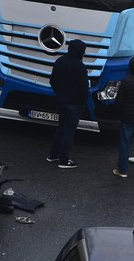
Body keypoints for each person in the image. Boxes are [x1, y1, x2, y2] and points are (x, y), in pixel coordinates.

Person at [47, 39, 89, 170]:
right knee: (69, 132)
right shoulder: (80, 67)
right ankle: (64, 159)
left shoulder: (59, 61)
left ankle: (53, 154)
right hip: (75, 104)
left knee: (61, 128)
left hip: (61, 100)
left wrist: (59, 93)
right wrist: (82, 101)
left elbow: (52, 80)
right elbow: (84, 88)